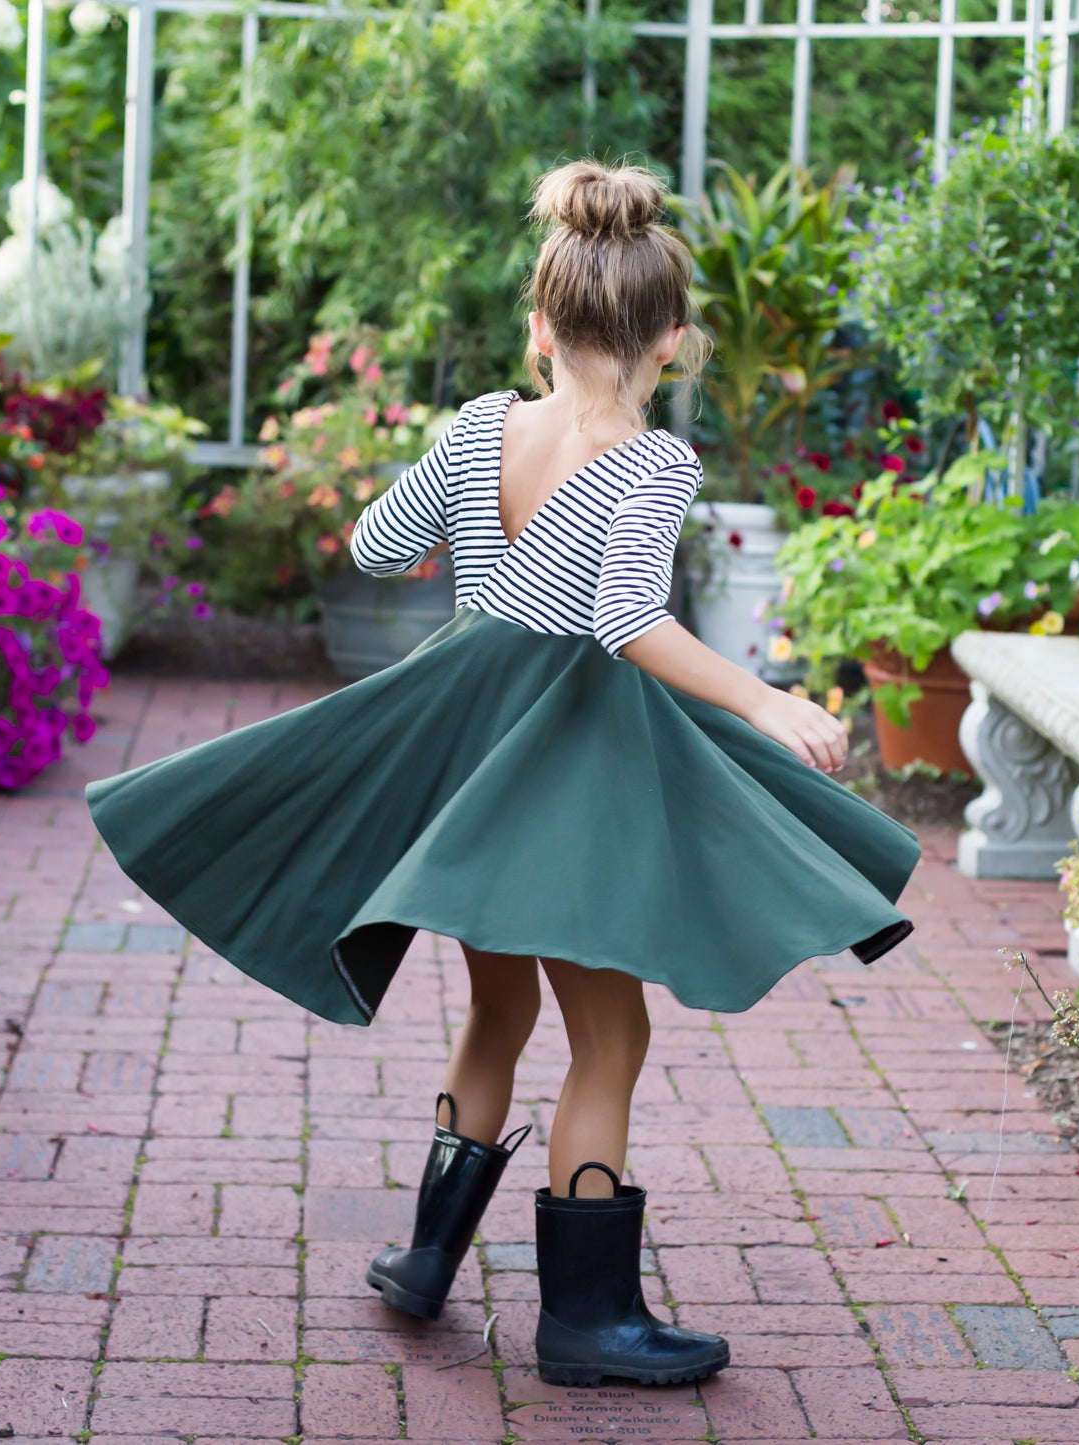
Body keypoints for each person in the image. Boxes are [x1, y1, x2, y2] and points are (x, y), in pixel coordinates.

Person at [85, 158, 920, 1390]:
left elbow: (375, 542)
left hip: (474, 760)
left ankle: (427, 1256)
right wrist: (764, 695)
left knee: (498, 1008)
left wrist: (479, 538)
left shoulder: (484, 424)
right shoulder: (650, 462)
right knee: (611, 1032)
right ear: (673, 342)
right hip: (569, 775)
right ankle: (586, 1321)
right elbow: (629, 618)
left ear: (538, 324)